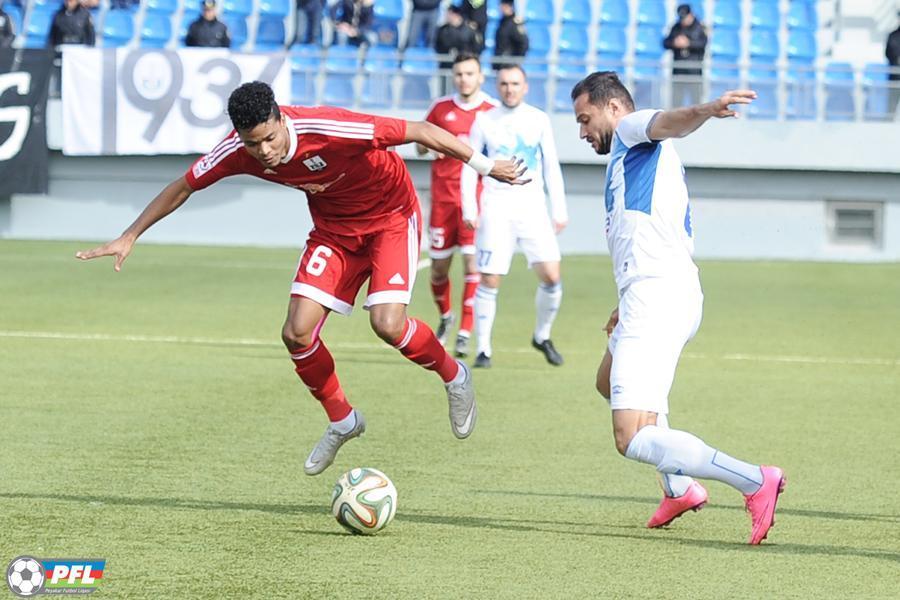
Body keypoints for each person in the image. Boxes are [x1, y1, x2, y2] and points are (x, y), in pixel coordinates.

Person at [75, 81, 527, 476]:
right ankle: (343, 419)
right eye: (253, 144)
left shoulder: (329, 128)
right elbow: (183, 186)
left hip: (391, 217)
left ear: (281, 118)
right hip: (334, 232)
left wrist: (487, 167)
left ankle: (454, 376)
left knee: (387, 324)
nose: (264, 152)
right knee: (296, 332)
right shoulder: (239, 152)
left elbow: (421, 131)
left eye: (269, 138)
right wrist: (130, 235)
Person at [570, 71, 786, 544]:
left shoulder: (631, 131)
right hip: (652, 291)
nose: (581, 131)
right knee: (607, 381)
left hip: (658, 295)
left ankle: (755, 480)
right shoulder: (635, 157)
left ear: (613, 108)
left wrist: (706, 110)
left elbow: (668, 120)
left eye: (585, 119)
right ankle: (679, 488)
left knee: (631, 437)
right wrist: (624, 300)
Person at [461, 64, 567, 369]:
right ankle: (483, 349)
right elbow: (470, 166)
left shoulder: (539, 119)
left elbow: (551, 166)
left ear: (525, 86)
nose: (510, 89)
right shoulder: (484, 120)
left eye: (515, 83)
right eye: (505, 83)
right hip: (496, 206)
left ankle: (542, 336)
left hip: (533, 207)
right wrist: (470, 208)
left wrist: (559, 209)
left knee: (552, 276)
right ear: (498, 86)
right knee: (490, 278)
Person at [417, 54, 496, 357]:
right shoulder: (440, 108)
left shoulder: (491, 111)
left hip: (476, 201)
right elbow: (419, 146)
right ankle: (447, 316)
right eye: (459, 74)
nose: (464, 79)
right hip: (442, 202)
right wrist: (429, 146)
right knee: (439, 270)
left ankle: (465, 331)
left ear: (480, 77)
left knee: (473, 265)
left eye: (470, 73)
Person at [663, 3, 707, 108]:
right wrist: (674, 43)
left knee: (696, 103)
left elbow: (702, 43)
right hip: (678, 71)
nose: (683, 20)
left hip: (694, 71)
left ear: (691, 15)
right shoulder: (676, 27)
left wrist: (688, 44)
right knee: (676, 102)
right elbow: (665, 43)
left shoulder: (699, 27)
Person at [434, 4, 481, 86]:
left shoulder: (469, 30)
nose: (447, 16)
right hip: (446, 65)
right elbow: (437, 45)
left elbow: (477, 47)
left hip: (464, 66)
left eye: (450, 14)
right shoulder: (442, 30)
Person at [886, 13, 900, 117]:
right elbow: (888, 53)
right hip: (895, 77)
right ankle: (888, 120)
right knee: (891, 105)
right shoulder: (893, 36)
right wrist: (897, 59)